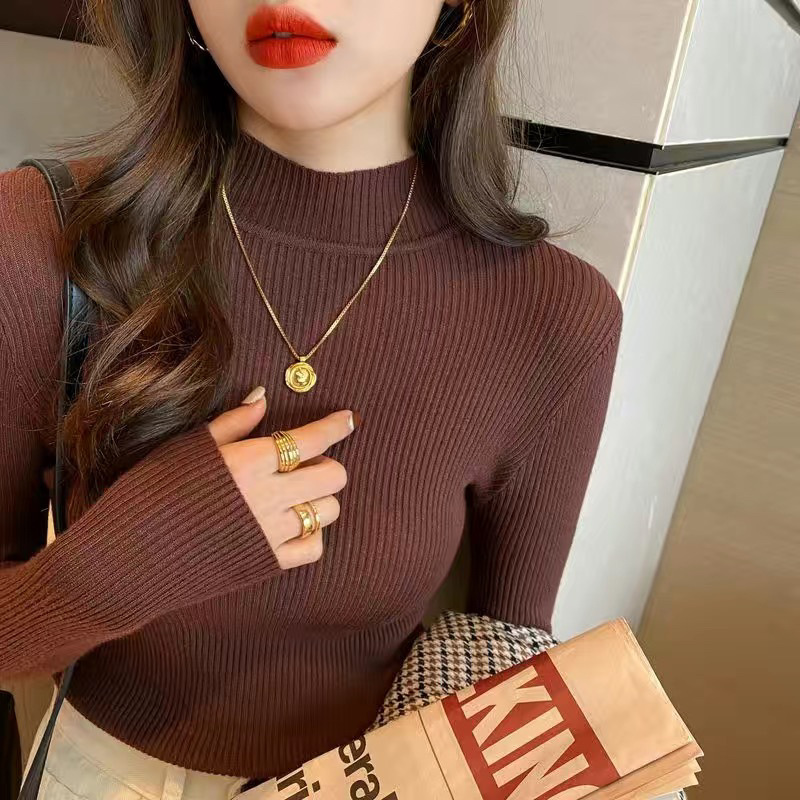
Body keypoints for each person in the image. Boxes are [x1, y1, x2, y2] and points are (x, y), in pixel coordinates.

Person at [0, 0, 623, 797]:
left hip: (373, 780)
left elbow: (499, 665)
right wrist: (128, 562)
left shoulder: (554, 318)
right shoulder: (42, 238)